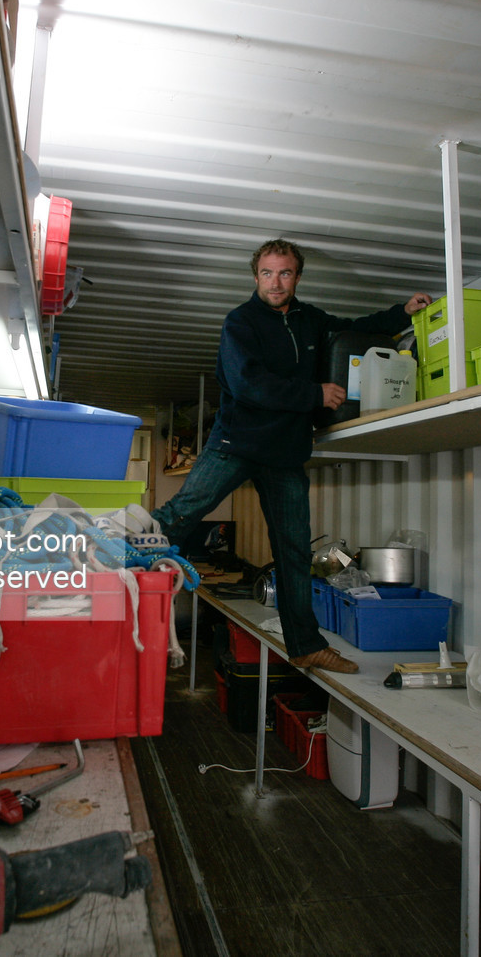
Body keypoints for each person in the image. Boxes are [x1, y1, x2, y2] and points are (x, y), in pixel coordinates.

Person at [152, 238, 431, 674]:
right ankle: (113, 562)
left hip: (284, 453)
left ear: (297, 277)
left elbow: (354, 329)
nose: (275, 282)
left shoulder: (310, 320)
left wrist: (402, 313)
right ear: (256, 276)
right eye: (267, 273)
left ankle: (305, 645)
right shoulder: (241, 323)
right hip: (238, 443)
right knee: (182, 512)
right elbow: (247, 384)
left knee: (294, 551)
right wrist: (313, 394)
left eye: (284, 273)